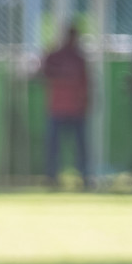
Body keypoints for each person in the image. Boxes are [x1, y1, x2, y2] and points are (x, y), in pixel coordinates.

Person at [40, 22, 91, 187]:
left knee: (81, 146)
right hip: (57, 108)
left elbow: (86, 83)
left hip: (76, 109)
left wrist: (86, 102)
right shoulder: (55, 56)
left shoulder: (79, 58)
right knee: (54, 146)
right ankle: (51, 176)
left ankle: (84, 176)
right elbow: (43, 72)